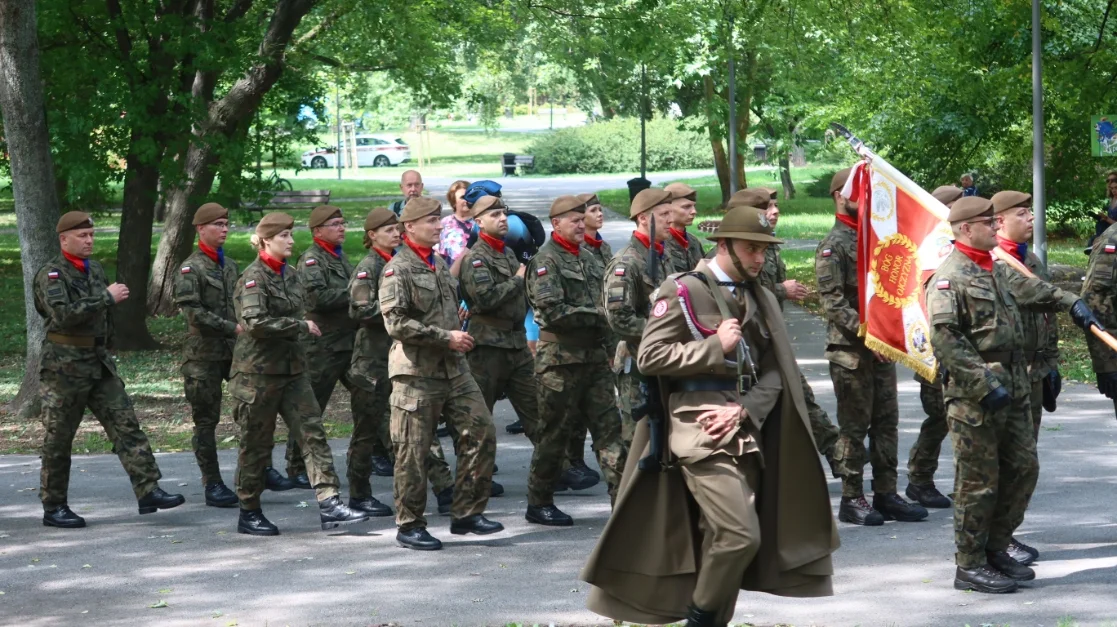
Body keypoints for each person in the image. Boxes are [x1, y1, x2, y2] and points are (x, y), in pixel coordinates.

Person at [582, 203, 838, 627]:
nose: (759, 258)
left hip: (744, 429)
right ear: (724, 245)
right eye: (751, 248)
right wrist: (713, 347)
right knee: (740, 535)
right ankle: (699, 619)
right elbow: (649, 356)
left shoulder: (759, 296)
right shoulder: (683, 289)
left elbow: (778, 371)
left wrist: (745, 409)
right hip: (696, 429)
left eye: (763, 249)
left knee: (718, 541)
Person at [925, 196, 1100, 593]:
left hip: (1017, 383)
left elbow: (1034, 290)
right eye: (988, 222)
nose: (994, 226)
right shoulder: (949, 278)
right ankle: (969, 564)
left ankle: (997, 547)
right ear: (966, 229)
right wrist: (985, 386)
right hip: (977, 393)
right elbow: (945, 338)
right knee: (978, 480)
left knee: (1023, 468)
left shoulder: (997, 269)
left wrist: (1073, 303)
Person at [35, 211, 186, 528]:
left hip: (98, 362)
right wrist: (105, 297)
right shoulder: (51, 274)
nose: (89, 240)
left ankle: (149, 490)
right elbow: (62, 315)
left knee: (126, 425)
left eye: (91, 235)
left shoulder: (95, 269)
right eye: (82, 236)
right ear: (64, 239)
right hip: (64, 367)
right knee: (59, 439)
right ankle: (54, 506)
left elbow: (104, 317)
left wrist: (109, 341)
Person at [229, 212, 369, 536]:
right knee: (256, 444)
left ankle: (330, 502)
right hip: (257, 375)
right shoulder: (252, 279)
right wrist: (299, 326)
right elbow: (254, 323)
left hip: (293, 370)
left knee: (312, 434)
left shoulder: (290, 275)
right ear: (266, 241)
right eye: (284, 236)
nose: (291, 241)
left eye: (291, 235)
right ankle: (249, 510)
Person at [380, 196, 503, 550]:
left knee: (481, 431)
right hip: (416, 373)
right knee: (413, 451)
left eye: (439, 219)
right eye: (431, 221)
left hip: (454, 370)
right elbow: (396, 322)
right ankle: (410, 523)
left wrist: (455, 327)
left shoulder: (435, 262)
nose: (439, 225)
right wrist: (444, 336)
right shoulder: (397, 269)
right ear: (409, 228)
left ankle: (466, 512)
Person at [816, 168, 927, 526]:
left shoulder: (874, 241)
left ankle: (886, 492)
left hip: (882, 349)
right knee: (854, 427)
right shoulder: (834, 246)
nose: (864, 199)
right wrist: (869, 334)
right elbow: (832, 303)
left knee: (886, 424)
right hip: (851, 351)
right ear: (839, 195)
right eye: (856, 193)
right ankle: (852, 496)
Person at [459, 195, 572, 526]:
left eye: (504, 213)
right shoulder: (475, 259)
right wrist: (519, 277)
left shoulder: (507, 253)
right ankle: (470, 496)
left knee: (539, 414)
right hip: (486, 349)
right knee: (479, 426)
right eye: (495, 214)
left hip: (515, 346)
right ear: (479, 221)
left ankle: (545, 493)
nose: (503, 218)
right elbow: (484, 298)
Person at [349, 208, 457, 515]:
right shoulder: (369, 267)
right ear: (372, 236)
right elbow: (358, 311)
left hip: (406, 357)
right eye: (387, 230)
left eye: (396, 229)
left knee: (420, 429)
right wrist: (392, 313)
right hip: (372, 359)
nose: (395, 234)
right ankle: (359, 493)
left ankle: (445, 489)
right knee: (367, 430)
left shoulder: (411, 263)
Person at [526, 195, 627, 504]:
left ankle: (621, 500)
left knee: (609, 431)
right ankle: (539, 501)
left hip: (594, 359)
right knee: (555, 434)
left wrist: (613, 349)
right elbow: (554, 312)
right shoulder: (545, 262)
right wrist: (599, 313)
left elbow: (607, 309)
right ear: (556, 224)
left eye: (583, 220)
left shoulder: (589, 257)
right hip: (559, 361)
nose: (581, 225)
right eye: (574, 221)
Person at [292, 204, 392, 515]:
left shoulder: (338, 256)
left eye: (342, 223)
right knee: (313, 406)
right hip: (323, 345)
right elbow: (316, 298)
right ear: (317, 230)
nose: (341, 228)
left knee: (371, 400)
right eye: (334, 224)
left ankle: (378, 453)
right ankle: (296, 465)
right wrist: (352, 294)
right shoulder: (311, 259)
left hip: (350, 344)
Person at [737, 187, 840, 476]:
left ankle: (839, 457)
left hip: (772, 342)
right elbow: (740, 294)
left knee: (801, 399)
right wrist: (782, 289)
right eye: (767, 207)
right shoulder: (734, 252)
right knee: (794, 400)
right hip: (747, 350)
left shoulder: (770, 247)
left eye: (775, 206)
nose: (775, 211)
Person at [173, 202, 241, 507]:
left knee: (255, 411)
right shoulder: (191, 268)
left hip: (234, 352)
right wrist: (231, 327)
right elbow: (194, 314)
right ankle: (212, 482)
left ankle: (258, 469)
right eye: (218, 224)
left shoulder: (230, 265)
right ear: (201, 229)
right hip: (203, 356)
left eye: (227, 224)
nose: (224, 229)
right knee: (206, 421)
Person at [904, 185, 965, 512]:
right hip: (935, 347)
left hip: (956, 345)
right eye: (957, 204)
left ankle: (961, 484)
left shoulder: (950, 242)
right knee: (942, 417)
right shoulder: (936, 246)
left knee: (952, 418)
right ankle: (919, 479)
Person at [603, 188, 673, 450]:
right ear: (644, 218)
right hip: (637, 364)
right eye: (663, 214)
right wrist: (663, 331)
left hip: (663, 358)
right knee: (638, 443)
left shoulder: (661, 256)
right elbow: (619, 320)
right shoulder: (626, 263)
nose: (670, 220)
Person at [663, 182, 705, 273]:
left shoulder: (693, 241)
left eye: (694, 206)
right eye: (686, 207)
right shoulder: (659, 244)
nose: (694, 211)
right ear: (668, 209)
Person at [439, 179, 473, 277]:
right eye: (462, 197)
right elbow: (438, 254)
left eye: (469, 196)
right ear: (454, 202)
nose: (467, 200)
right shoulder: (445, 223)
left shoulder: (480, 221)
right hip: (452, 275)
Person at [1087, 171, 1117, 250]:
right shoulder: (1112, 199)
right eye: (1108, 181)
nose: (1110, 183)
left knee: (1108, 247)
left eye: (1113, 180)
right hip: (1108, 230)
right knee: (1092, 241)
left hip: (1114, 233)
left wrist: (1107, 219)